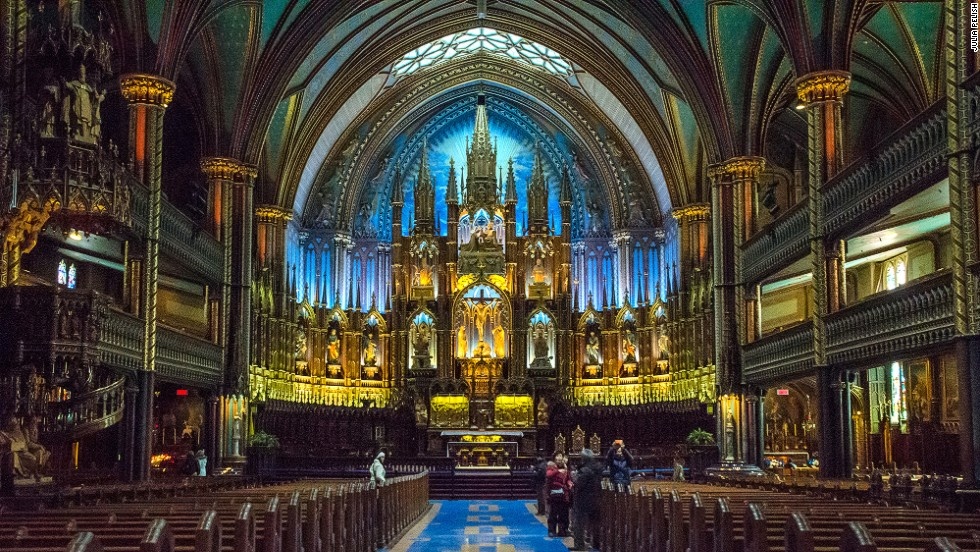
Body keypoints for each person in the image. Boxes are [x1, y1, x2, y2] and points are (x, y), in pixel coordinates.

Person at [572, 449, 603, 551]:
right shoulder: (598, 467)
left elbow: (579, 484)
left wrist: (574, 476)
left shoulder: (584, 470)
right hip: (596, 498)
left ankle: (579, 545)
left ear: (583, 458)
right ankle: (596, 544)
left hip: (583, 500)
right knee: (595, 523)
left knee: (579, 524)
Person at [546, 458, 571, 537]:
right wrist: (558, 471)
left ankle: (562, 530)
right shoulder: (551, 467)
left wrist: (570, 483)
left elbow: (568, 479)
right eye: (558, 458)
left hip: (563, 495)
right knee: (553, 514)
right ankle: (551, 531)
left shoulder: (566, 469)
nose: (560, 460)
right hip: (554, 494)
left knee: (563, 514)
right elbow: (549, 475)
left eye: (561, 458)